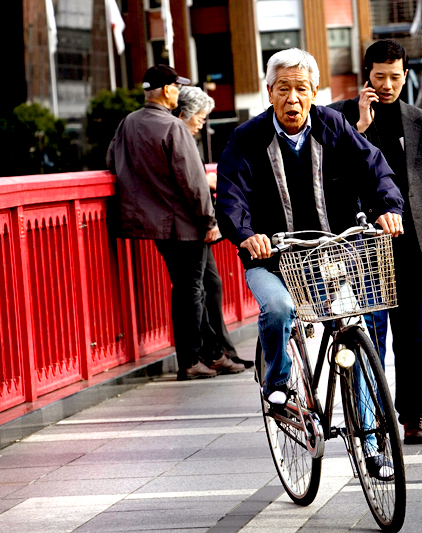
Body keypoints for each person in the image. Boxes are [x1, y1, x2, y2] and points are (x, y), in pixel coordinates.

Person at [216, 48, 404, 476]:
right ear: (269, 93)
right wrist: (247, 235)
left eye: (302, 89)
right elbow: (230, 195)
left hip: (328, 255)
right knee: (279, 309)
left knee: (354, 336)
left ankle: (372, 442)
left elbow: (373, 167)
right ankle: (278, 384)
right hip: (272, 258)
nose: (293, 98)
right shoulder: (247, 138)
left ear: (314, 92)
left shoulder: (333, 125)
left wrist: (387, 207)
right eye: (284, 89)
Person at [328, 39, 422, 444]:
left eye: (395, 77)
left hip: (409, 245)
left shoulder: (421, 120)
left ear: (406, 76)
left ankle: (413, 415)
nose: (387, 85)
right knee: (368, 335)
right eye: (379, 76)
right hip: (357, 246)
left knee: (412, 334)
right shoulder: (337, 118)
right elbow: (326, 178)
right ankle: (370, 419)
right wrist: (359, 129)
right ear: (366, 73)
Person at [107, 65, 241, 381]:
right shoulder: (173, 127)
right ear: (168, 90)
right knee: (191, 290)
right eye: (176, 87)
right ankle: (191, 360)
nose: (178, 92)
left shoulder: (128, 123)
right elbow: (194, 182)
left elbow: (112, 161)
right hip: (184, 223)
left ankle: (213, 354)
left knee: (193, 286)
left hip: (152, 223)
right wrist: (210, 219)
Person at [174, 86, 249, 369]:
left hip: (191, 221)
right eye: (201, 119)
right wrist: (211, 220)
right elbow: (187, 181)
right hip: (191, 223)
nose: (202, 125)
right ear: (185, 114)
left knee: (208, 285)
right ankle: (208, 354)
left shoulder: (180, 137)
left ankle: (218, 350)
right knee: (197, 288)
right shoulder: (178, 135)